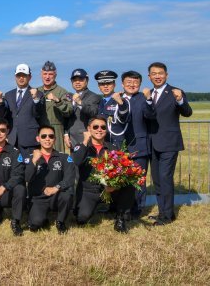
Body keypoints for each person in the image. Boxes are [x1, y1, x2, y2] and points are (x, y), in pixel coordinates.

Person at [144, 62, 193, 226]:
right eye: (154, 73)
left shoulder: (175, 92)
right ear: (149, 76)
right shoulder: (148, 94)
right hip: (152, 143)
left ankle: (167, 216)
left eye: (160, 73)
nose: (157, 76)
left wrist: (180, 100)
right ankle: (163, 211)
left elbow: (187, 112)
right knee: (157, 179)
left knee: (165, 178)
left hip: (169, 143)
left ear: (166, 75)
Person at [72, 116, 135, 233]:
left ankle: (120, 218)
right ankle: (89, 207)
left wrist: (115, 185)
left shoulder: (112, 148)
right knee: (82, 218)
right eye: (95, 127)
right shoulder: (81, 146)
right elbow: (76, 160)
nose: (99, 129)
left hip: (109, 189)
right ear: (89, 129)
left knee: (129, 185)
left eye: (103, 127)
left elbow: (121, 171)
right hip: (89, 190)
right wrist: (85, 141)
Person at [25, 125, 75, 234]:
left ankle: (60, 221)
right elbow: (27, 178)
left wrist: (56, 188)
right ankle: (41, 217)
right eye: (44, 136)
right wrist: (34, 161)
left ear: (54, 139)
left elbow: (70, 178)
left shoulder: (64, 157)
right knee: (35, 224)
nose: (47, 139)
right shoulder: (30, 157)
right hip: (38, 197)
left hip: (56, 195)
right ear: (38, 139)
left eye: (51, 136)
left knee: (67, 194)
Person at [121, 70, 153, 218]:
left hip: (139, 146)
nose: (132, 85)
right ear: (122, 84)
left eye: (135, 82)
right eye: (129, 82)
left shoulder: (143, 98)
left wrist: (148, 99)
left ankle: (137, 209)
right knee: (121, 179)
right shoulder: (116, 99)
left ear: (140, 84)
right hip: (120, 147)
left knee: (138, 180)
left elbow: (150, 115)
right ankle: (122, 208)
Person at [3, 64, 45, 159]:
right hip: (11, 140)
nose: (21, 78)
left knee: (29, 170)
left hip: (29, 141)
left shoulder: (38, 94)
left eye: (24, 75)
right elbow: (6, 116)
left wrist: (35, 99)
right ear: (15, 77)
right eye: (19, 75)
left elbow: (39, 114)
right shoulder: (8, 95)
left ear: (29, 77)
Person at [36, 61, 73, 153]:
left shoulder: (62, 92)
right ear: (41, 75)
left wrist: (58, 101)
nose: (47, 77)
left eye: (50, 74)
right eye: (45, 74)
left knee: (57, 157)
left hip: (56, 130)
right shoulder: (36, 91)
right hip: (38, 130)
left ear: (55, 75)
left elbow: (69, 111)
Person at [64, 68, 101, 151]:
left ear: (86, 81)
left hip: (86, 138)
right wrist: (66, 134)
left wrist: (80, 102)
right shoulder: (69, 96)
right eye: (74, 80)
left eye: (80, 79)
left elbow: (93, 112)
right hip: (71, 140)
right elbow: (66, 117)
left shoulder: (94, 96)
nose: (77, 82)